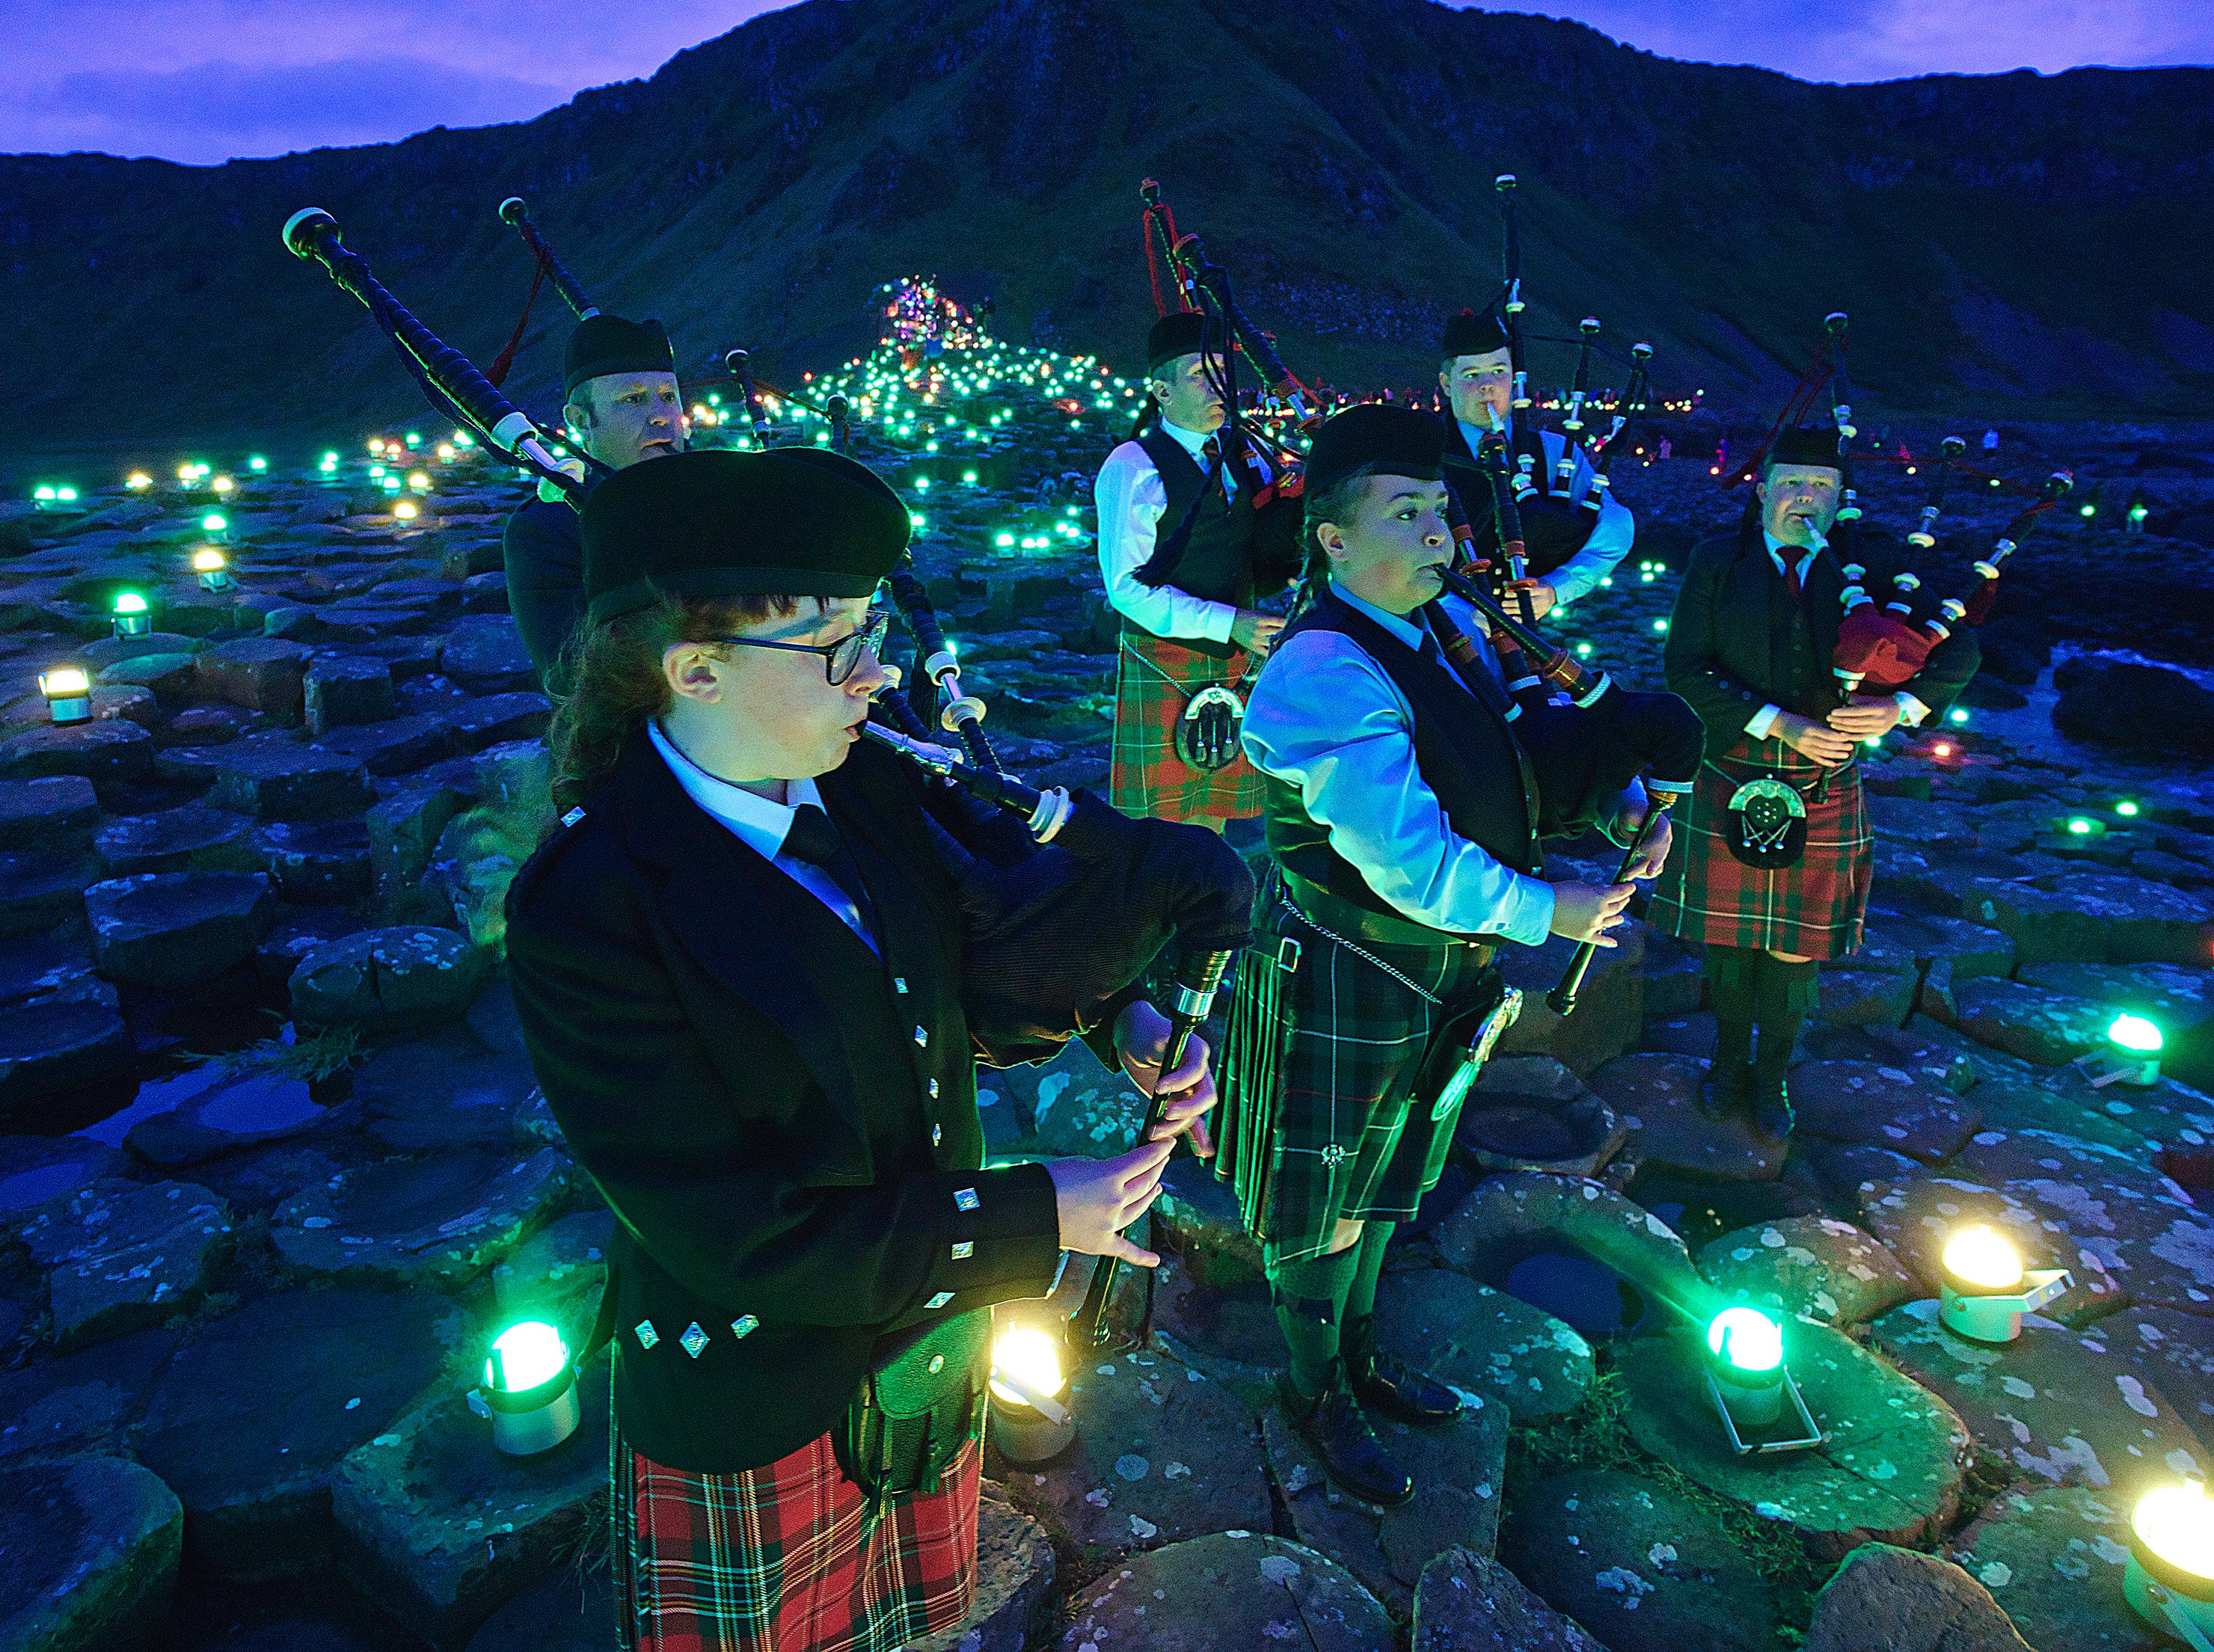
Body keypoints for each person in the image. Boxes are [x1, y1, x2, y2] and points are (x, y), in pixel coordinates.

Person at [504, 446, 1221, 1652]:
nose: (876, 671)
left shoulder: (868, 782)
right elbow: (743, 1230)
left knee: (905, 1623)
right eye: (835, 643)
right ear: (697, 669)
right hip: (762, 1394)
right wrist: (1040, 1213)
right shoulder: (588, 910)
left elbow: (978, 952)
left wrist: (1120, 1020)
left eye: (871, 627)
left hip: (925, 1341)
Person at [1224, 403, 1657, 1508]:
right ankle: (1314, 1387)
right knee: (1322, 1188)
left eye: (1442, 512)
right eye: (1406, 510)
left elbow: (1515, 755)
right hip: (1346, 966)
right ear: (1330, 535)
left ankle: (1358, 1355)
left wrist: (1620, 806)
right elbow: (1405, 862)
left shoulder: (1441, 634)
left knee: (1390, 1171)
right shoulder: (1322, 668)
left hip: (1432, 971)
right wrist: (1545, 910)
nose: (1437, 533)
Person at [1640, 426, 1978, 1138]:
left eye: (1821, 487)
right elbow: (1685, 670)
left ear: (1839, 497)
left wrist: (1900, 706)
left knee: (1795, 945)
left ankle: (1773, 1079)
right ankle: (1728, 1064)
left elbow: (1961, 646)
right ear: (1761, 489)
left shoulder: (1876, 566)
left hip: (1823, 786)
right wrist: (1779, 723)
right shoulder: (1716, 562)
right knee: (1729, 942)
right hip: (1730, 771)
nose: (1805, 499)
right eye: (1791, 483)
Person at [1094, 309, 1298, 832]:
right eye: (1198, 376)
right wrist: (1229, 622)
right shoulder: (1133, 465)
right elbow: (1125, 590)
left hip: (1233, 662)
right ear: (1161, 392)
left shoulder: (1239, 455)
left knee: (1214, 823)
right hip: (1165, 659)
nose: (1218, 388)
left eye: (1223, 375)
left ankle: (1206, 914)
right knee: (1157, 833)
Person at [504, 312, 691, 690]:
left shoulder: (722, 489)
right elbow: (571, 677)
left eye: (669, 397)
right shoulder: (545, 530)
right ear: (580, 420)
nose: (661, 417)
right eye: (633, 399)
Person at [1432, 310, 1633, 621]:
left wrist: (1555, 590)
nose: (1488, 386)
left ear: (1513, 377)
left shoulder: (1553, 450)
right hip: (1440, 630)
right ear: (1446, 383)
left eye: (1499, 371)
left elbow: (1616, 525)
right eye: (1471, 375)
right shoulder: (1420, 452)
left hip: (1533, 633)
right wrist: (1456, 612)